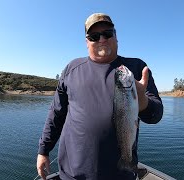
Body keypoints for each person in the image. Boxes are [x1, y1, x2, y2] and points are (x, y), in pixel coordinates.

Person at [37, 13, 163, 180]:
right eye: (94, 36)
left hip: (120, 175)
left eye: (107, 33)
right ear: (87, 42)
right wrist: (43, 150)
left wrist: (143, 102)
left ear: (116, 36)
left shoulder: (137, 67)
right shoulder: (71, 69)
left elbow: (156, 115)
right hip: (73, 174)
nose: (102, 39)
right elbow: (56, 114)